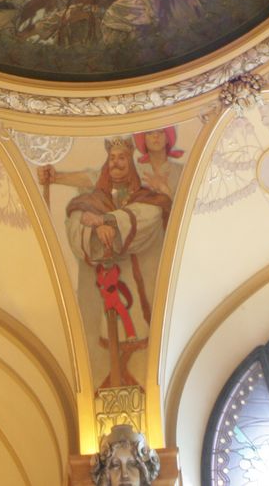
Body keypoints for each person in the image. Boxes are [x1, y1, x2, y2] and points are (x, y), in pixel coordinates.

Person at [42, 137, 173, 389]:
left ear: (130, 160)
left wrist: (109, 221)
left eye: (122, 157)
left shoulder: (144, 194)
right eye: (112, 158)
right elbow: (82, 184)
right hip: (101, 284)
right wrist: (55, 177)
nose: (116, 163)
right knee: (105, 331)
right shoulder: (94, 193)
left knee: (136, 330)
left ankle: (131, 375)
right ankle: (115, 376)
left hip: (137, 281)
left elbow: (152, 214)